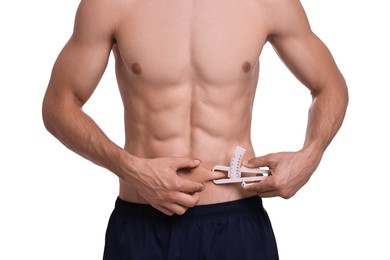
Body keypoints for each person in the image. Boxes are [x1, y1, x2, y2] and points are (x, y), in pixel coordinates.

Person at [42, 0, 348, 259]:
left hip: (236, 222)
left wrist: (310, 155)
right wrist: (129, 167)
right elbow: (58, 105)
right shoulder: (110, 4)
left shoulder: (266, 3)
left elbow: (329, 85)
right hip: (143, 224)